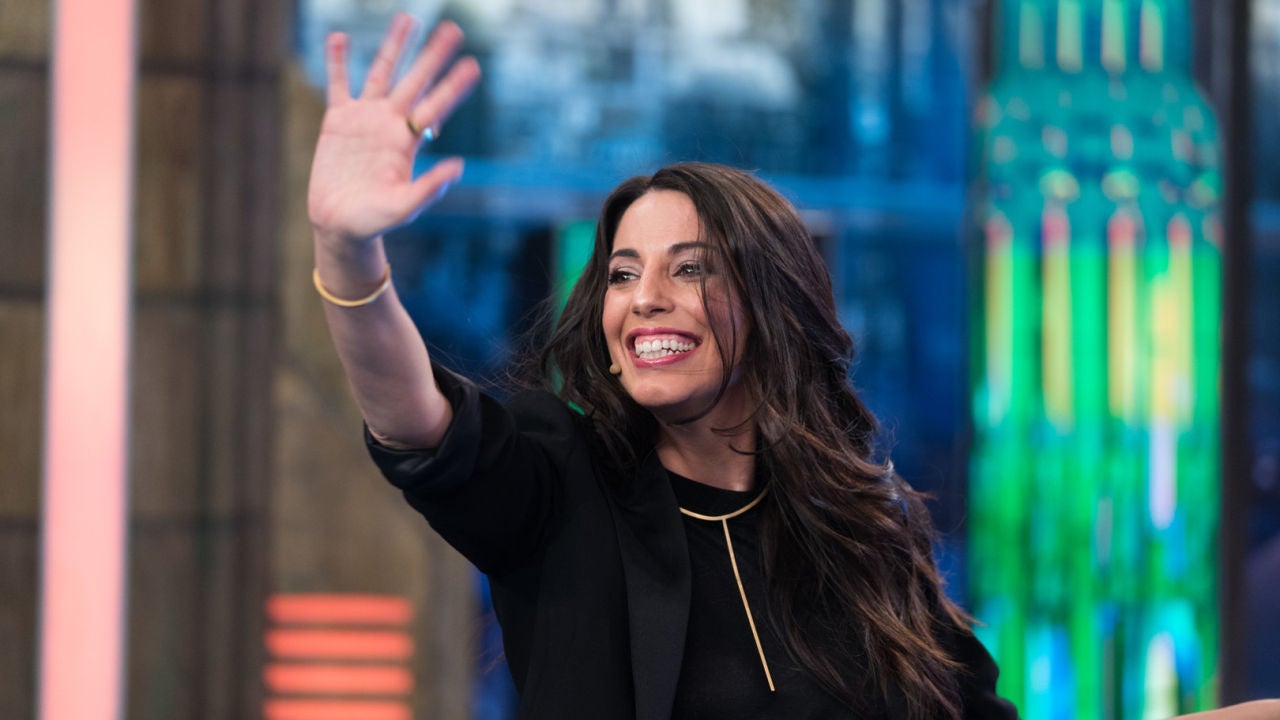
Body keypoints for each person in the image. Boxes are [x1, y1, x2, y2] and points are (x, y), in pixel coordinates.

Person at [306, 14, 1279, 720]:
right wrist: (349, 253)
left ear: (771, 308)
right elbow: (417, 424)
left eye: (691, 270)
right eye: (623, 274)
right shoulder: (561, 480)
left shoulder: (862, 537)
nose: (645, 298)